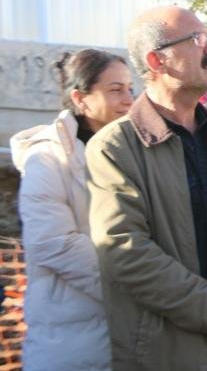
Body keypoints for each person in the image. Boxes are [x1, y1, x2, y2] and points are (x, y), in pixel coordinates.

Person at [86, 6, 207, 370]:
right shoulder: (114, 148)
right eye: (197, 40)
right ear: (157, 61)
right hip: (168, 355)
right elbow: (125, 251)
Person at [11, 49, 133, 370]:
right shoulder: (46, 158)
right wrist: (133, 283)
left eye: (130, 88)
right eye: (115, 90)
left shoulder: (128, 151)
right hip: (70, 340)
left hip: (127, 334)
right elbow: (53, 242)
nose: (128, 99)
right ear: (81, 98)